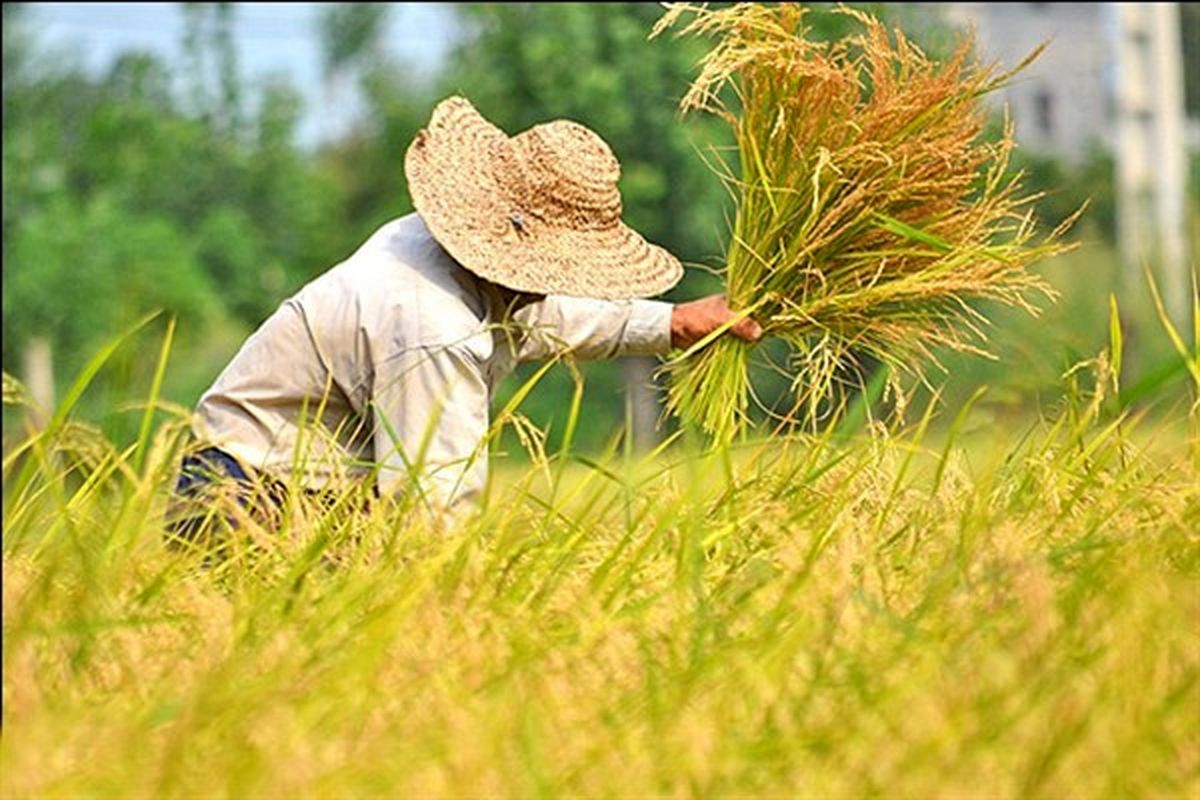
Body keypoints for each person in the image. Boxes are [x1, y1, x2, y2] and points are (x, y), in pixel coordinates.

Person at [168, 96, 761, 536]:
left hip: (297, 489)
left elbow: (544, 318)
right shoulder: (433, 327)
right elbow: (434, 511)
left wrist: (673, 322)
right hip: (248, 499)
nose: (557, 285)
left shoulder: (433, 246)